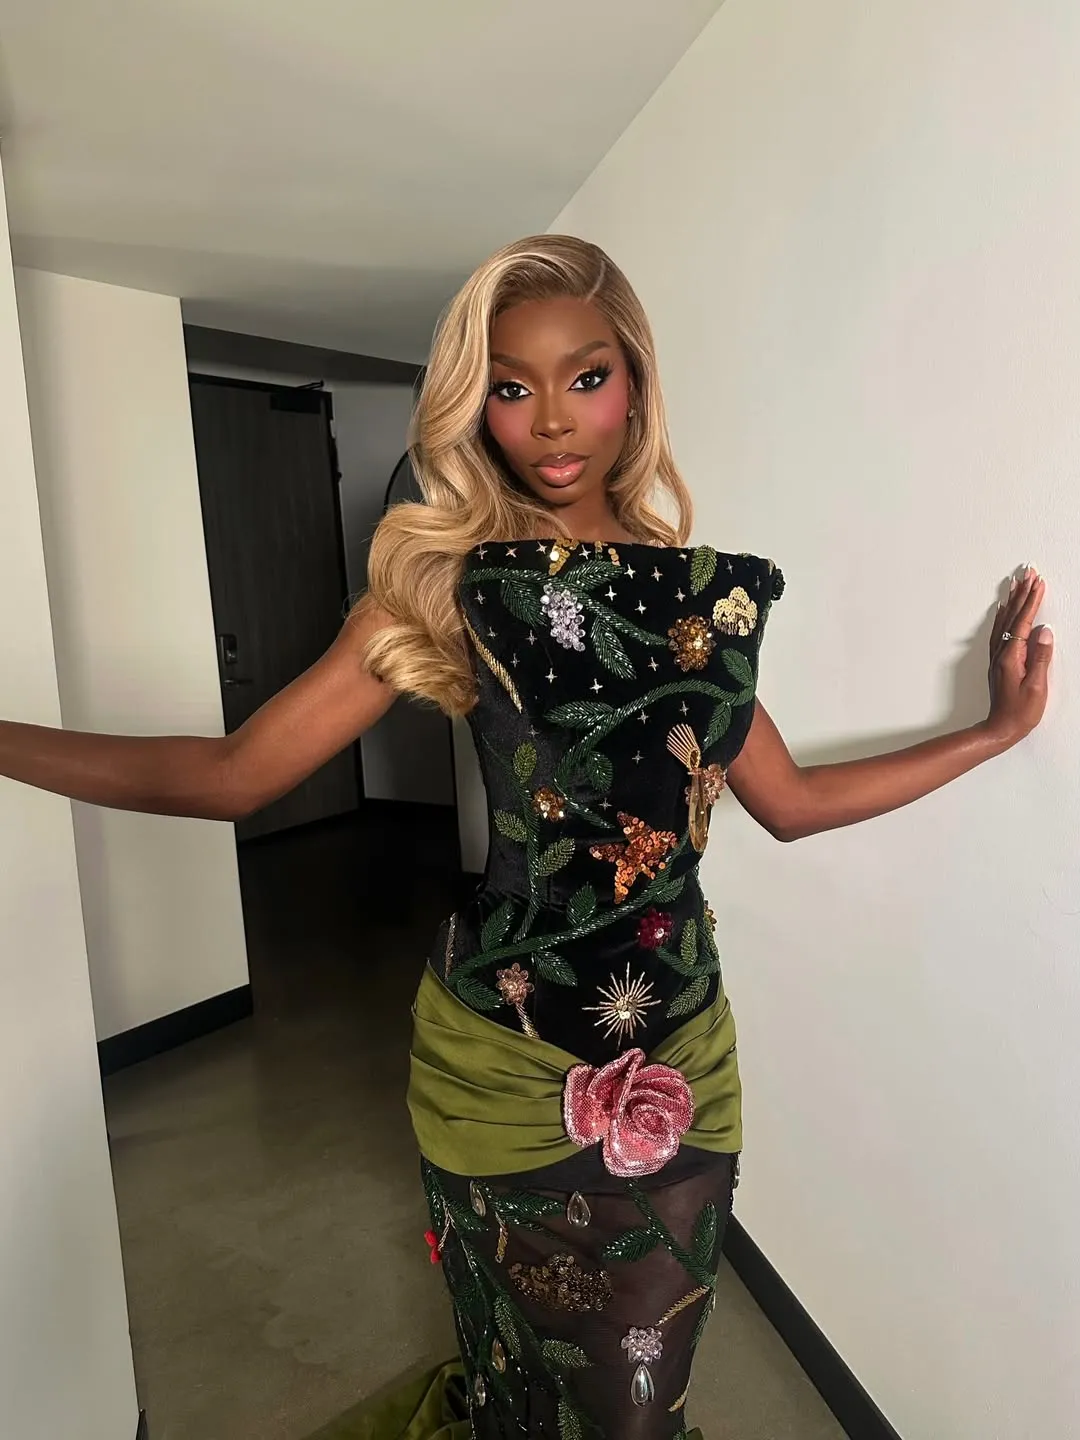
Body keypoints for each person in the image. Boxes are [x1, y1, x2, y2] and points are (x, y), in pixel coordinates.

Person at [0, 235, 1051, 1440]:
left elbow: (793, 801)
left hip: (684, 1056)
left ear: (635, 386)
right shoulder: (449, 586)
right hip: (499, 1062)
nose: (551, 419)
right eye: (510, 386)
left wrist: (992, 733)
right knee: (522, 1374)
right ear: (476, 407)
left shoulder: (698, 607)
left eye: (585, 377)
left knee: (638, 1402)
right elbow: (236, 776)